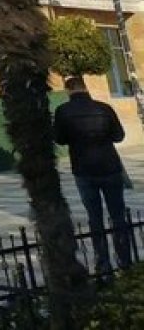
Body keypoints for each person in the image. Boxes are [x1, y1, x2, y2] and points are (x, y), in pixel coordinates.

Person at [54, 76, 131, 274]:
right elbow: (119, 136)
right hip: (110, 166)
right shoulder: (104, 108)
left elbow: (60, 139)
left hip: (84, 169)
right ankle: (125, 261)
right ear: (85, 87)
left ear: (68, 90)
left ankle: (103, 264)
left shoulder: (63, 111)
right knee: (118, 216)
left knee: (95, 218)